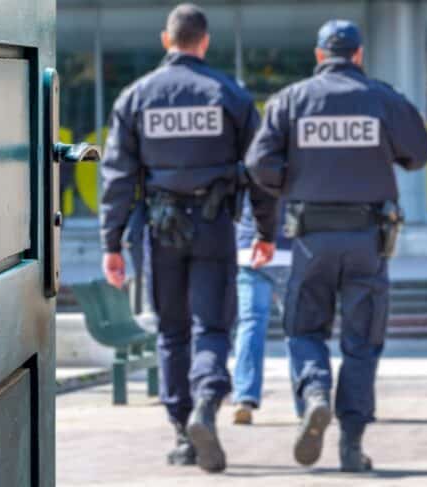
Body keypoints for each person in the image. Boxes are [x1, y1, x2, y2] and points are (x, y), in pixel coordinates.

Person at [245, 19, 427, 472]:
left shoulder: (291, 99)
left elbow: (258, 163)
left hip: (310, 237)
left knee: (305, 329)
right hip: (368, 237)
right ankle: (351, 444)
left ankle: (313, 394)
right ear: (359, 55)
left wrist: (294, 181)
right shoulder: (382, 98)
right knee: (362, 342)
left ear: (318, 56)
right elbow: (420, 152)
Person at [99, 3, 277, 474]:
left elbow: (117, 177)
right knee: (212, 327)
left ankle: (182, 432)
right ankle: (206, 406)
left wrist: (111, 245)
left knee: (173, 331)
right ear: (205, 42)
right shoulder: (231, 96)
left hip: (160, 231)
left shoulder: (136, 97)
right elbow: (260, 173)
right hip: (215, 225)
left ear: (166, 40)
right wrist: (266, 231)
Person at [232, 197, 291, 425]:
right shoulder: (303, 159)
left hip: (250, 248)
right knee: (298, 328)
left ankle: (244, 398)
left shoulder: (246, 161)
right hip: (292, 246)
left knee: (250, 323)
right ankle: (307, 400)